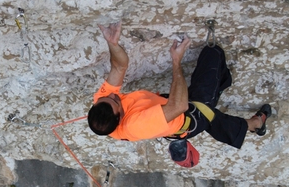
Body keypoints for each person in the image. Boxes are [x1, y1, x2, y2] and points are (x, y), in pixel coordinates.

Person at [87, 22, 271, 165]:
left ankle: (240, 110)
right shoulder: (136, 125)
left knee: (211, 107)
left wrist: (113, 44)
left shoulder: (103, 104)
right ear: (120, 117)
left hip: (167, 107)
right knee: (212, 53)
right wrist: (176, 61)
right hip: (188, 115)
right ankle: (250, 120)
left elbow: (119, 66)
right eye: (115, 101)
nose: (114, 95)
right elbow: (180, 106)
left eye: (107, 97)